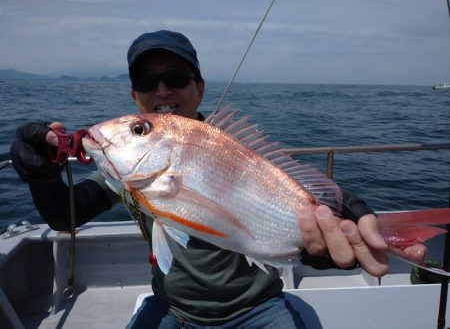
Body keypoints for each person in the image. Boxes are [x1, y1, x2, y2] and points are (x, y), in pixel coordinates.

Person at [10, 30, 426, 328]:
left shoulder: (230, 149)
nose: (162, 89)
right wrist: (42, 175)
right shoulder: (127, 176)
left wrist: (346, 210)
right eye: (146, 82)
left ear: (199, 88)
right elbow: (68, 215)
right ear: (135, 96)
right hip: (173, 309)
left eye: (175, 78)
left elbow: (286, 188)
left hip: (259, 309)